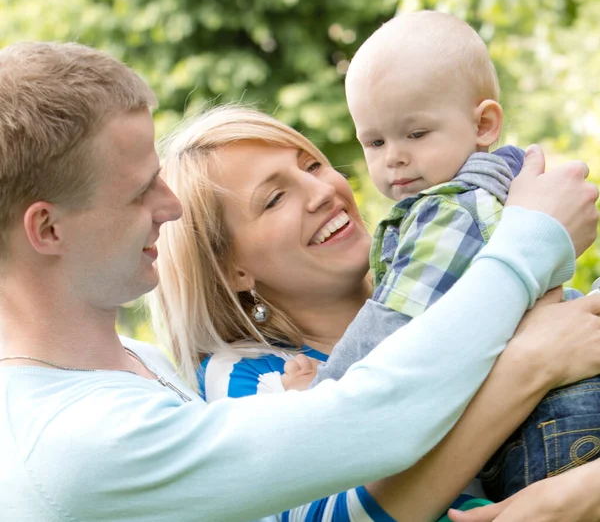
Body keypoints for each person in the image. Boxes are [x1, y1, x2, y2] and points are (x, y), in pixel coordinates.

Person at [0, 42, 597, 522]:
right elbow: (375, 423)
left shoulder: (135, 363)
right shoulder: (78, 444)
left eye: (312, 164)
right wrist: (530, 253)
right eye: (139, 192)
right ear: (47, 228)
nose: (171, 208)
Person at [151, 105, 600, 521]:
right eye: (274, 199)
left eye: (311, 165)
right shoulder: (252, 378)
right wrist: (531, 364)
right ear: (232, 269)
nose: (321, 191)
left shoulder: (445, 274)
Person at [267, 10, 597, 501]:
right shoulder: (507, 187)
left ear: (484, 124)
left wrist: (322, 397)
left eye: (415, 134)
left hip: (548, 425)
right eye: (374, 141)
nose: (393, 157)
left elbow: (397, 325)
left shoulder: (450, 212)